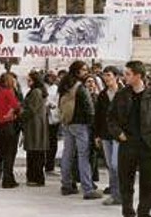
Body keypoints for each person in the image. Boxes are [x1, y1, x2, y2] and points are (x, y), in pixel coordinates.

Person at [108, 60, 151, 217]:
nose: (124, 77)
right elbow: (111, 118)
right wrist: (118, 133)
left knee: (148, 183)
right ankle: (127, 212)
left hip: (148, 145)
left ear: (138, 75)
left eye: (128, 74)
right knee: (125, 182)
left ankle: (144, 212)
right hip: (126, 144)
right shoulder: (121, 95)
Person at [59, 61, 102, 199]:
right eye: (83, 69)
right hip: (81, 125)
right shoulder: (80, 87)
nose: (86, 71)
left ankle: (66, 185)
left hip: (67, 123)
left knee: (67, 155)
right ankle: (88, 189)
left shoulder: (65, 85)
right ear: (77, 71)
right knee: (84, 157)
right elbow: (90, 109)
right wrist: (93, 125)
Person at [95, 66, 122, 206]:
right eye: (104, 75)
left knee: (116, 164)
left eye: (109, 75)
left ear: (116, 76)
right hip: (105, 134)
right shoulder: (102, 95)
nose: (106, 78)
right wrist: (97, 135)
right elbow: (98, 116)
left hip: (120, 135)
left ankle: (120, 193)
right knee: (110, 166)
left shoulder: (124, 93)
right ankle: (115, 193)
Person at [0, 73, 21, 189]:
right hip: (8, 125)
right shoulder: (8, 92)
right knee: (9, 154)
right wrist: (10, 114)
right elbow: (16, 106)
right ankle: (8, 180)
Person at [22, 71, 49, 187]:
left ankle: (36, 178)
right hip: (35, 125)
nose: (28, 82)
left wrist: (20, 114)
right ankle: (34, 177)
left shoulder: (36, 92)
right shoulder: (36, 91)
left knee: (35, 153)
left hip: (35, 126)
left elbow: (31, 109)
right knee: (34, 152)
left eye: (30, 80)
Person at [44, 70, 60, 174]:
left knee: (53, 142)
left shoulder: (56, 88)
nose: (51, 78)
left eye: (53, 76)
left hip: (53, 119)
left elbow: (58, 101)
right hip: (44, 117)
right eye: (50, 76)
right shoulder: (42, 87)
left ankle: (50, 166)